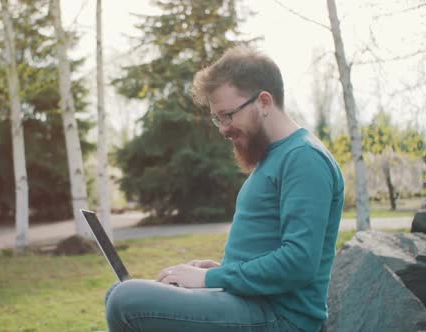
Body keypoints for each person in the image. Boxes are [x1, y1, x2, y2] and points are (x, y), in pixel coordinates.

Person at [104, 46, 345, 332]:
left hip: (281, 318)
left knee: (126, 300)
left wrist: (209, 280)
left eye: (228, 115)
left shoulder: (304, 158)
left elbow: (299, 262)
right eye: (218, 118)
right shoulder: (275, 156)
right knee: (118, 293)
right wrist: (218, 270)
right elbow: (269, 247)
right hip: (253, 304)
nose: (223, 128)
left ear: (264, 102)